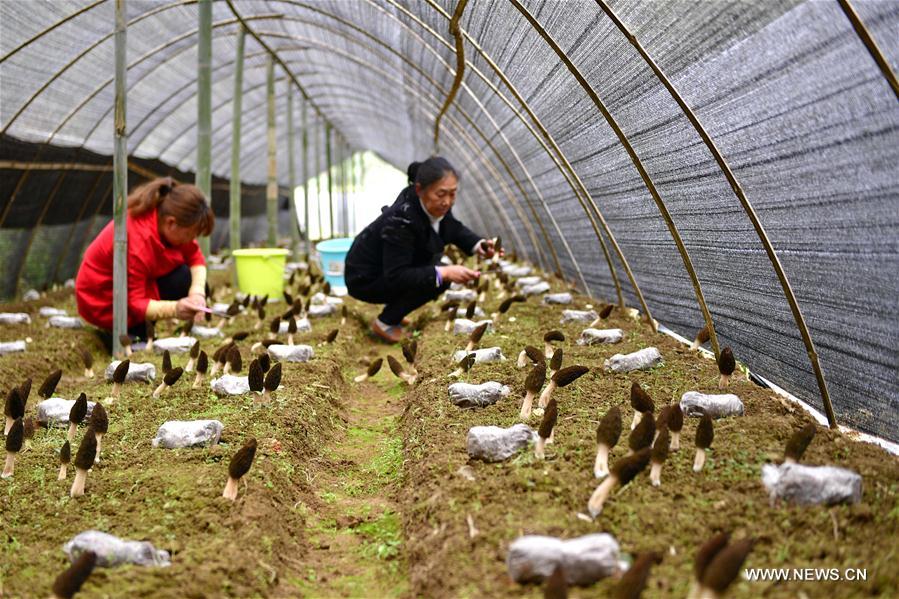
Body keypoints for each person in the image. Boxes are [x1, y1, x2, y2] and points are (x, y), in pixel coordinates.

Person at [345, 156, 498, 343]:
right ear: (419, 189)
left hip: (383, 270)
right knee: (437, 278)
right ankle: (385, 322)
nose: (447, 201)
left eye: (452, 193)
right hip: (364, 279)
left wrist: (479, 245)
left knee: (434, 270)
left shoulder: (430, 203)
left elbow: (452, 227)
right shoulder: (401, 221)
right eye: (441, 194)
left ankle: (396, 312)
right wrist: (446, 272)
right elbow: (397, 275)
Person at [75, 177, 214, 348]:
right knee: (181, 279)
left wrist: (197, 293)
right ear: (172, 223)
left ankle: (141, 331)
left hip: (130, 289)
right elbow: (136, 302)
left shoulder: (161, 217)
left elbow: (195, 256)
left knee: (186, 279)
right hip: (104, 300)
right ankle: (128, 334)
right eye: (190, 235)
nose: (192, 240)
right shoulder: (139, 241)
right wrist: (176, 309)